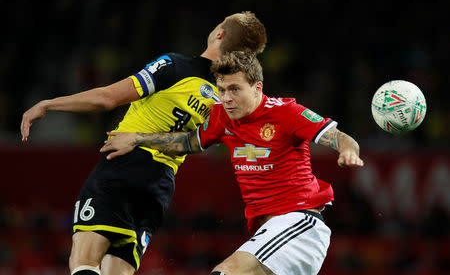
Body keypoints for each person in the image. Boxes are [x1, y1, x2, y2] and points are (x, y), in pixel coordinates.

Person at [20, 13, 267, 275]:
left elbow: (107, 98)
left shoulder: (175, 66)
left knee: (84, 261)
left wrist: (49, 104)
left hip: (125, 164)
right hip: (160, 185)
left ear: (219, 34)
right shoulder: (230, 96)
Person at [100, 51, 364, 275]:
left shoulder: (286, 113)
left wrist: (347, 151)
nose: (226, 98)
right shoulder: (223, 117)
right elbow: (189, 142)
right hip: (269, 231)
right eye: (222, 89)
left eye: (235, 89)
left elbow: (340, 137)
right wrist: (137, 138)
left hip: (299, 225)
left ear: (257, 87)